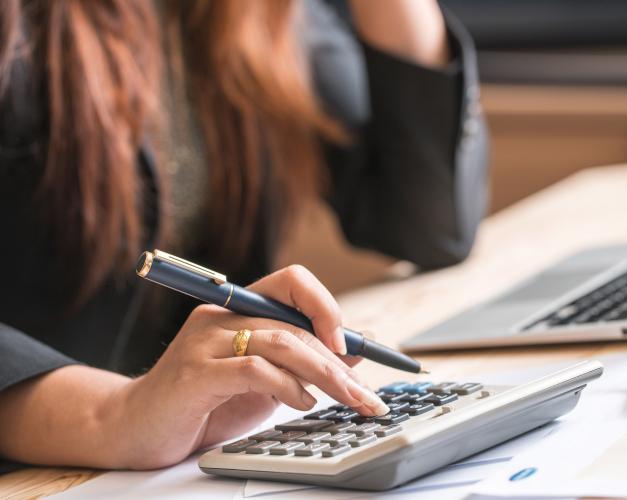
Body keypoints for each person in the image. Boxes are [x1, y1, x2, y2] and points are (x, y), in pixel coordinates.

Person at [0, 0, 488, 472]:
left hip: (184, 460)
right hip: (47, 465)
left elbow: (427, 223)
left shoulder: (263, 12)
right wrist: (110, 414)